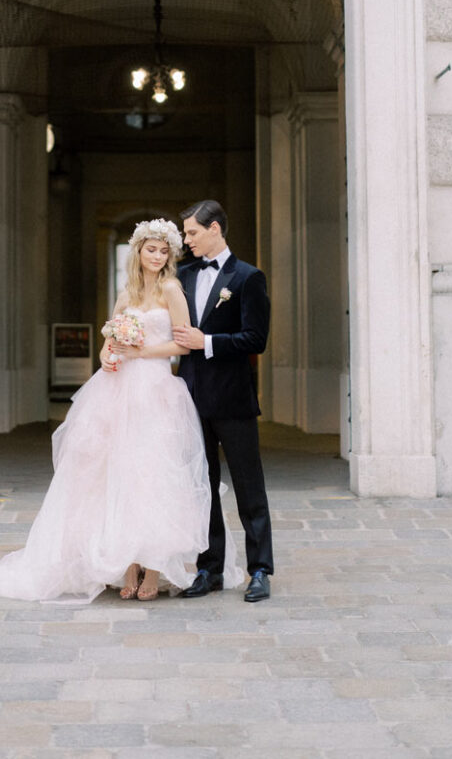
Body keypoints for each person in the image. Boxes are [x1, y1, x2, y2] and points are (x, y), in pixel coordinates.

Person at [0, 217, 240, 604]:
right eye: (150, 249)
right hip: (117, 391)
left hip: (155, 389)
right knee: (116, 472)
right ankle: (129, 564)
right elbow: (111, 340)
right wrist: (107, 357)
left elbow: (182, 345)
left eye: (163, 250)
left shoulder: (172, 289)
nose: (156, 256)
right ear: (137, 252)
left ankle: (154, 566)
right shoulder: (126, 296)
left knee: (153, 473)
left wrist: (139, 352)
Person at [173, 199, 274, 603]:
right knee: (203, 487)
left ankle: (260, 570)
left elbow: (257, 339)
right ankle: (208, 568)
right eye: (184, 233)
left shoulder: (248, 278)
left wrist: (207, 342)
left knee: (250, 487)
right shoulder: (181, 275)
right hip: (191, 399)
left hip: (233, 399)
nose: (187, 240)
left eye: (192, 233)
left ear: (215, 229)